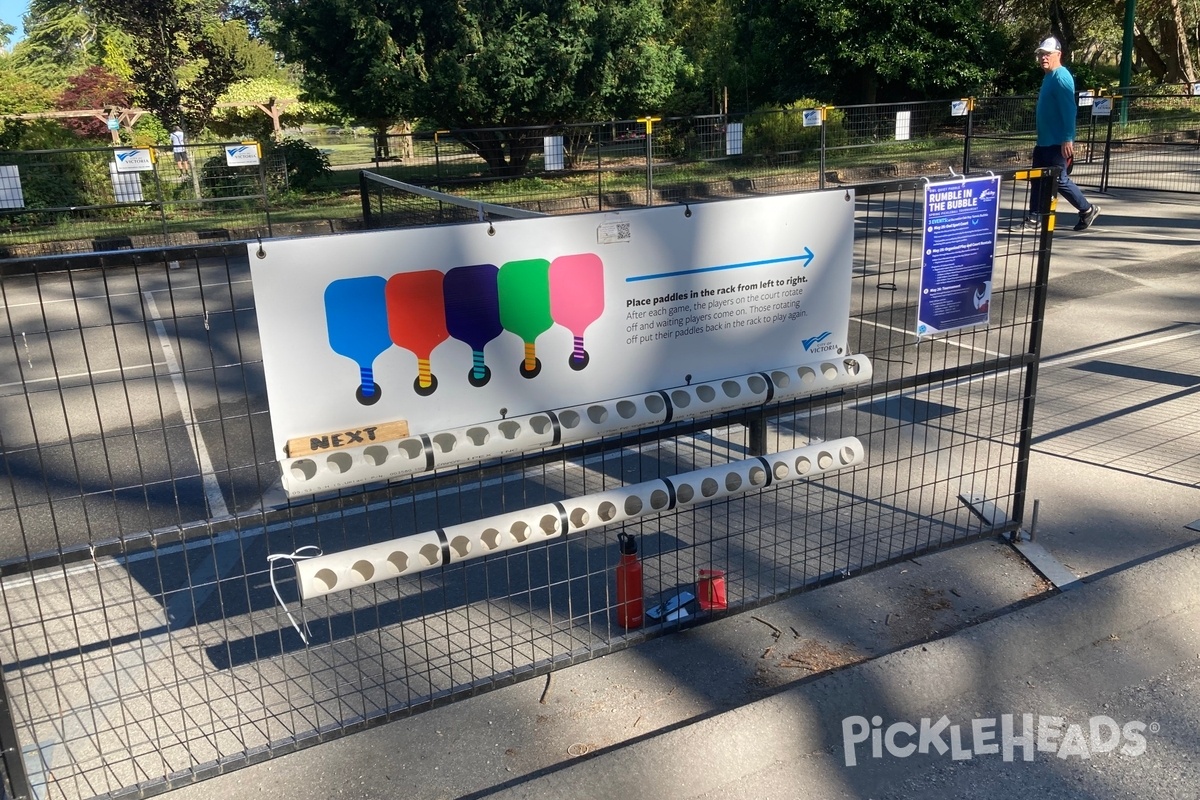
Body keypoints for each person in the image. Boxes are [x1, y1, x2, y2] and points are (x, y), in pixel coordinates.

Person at [1012, 36, 1100, 233]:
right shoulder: (1048, 76)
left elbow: (1069, 109)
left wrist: (1068, 138)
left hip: (1057, 142)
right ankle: (1035, 217)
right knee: (1037, 178)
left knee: (1059, 179)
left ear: (1058, 55)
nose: (1043, 58)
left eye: (1047, 54)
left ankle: (1087, 209)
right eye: (1041, 54)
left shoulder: (1061, 76)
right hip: (1044, 141)